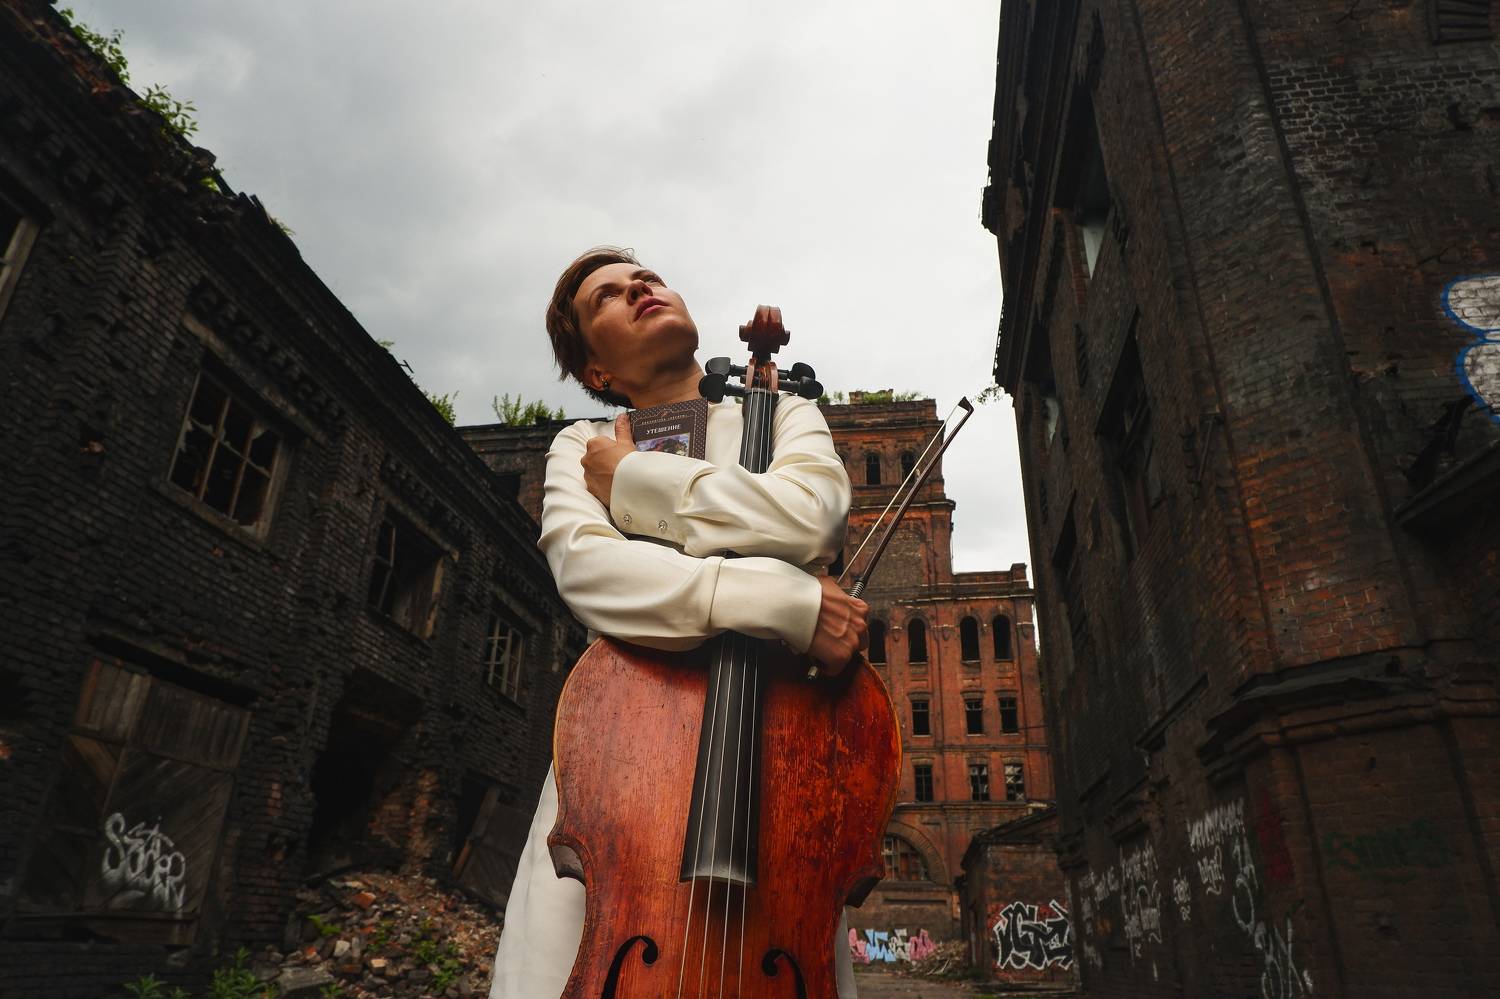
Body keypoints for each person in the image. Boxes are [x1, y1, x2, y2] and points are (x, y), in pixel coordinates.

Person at [488, 247, 869, 999]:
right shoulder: (583, 444)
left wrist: (634, 480)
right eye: (606, 297)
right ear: (596, 370)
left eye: (648, 278)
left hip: (772, 767)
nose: (639, 287)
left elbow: (813, 519)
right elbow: (592, 573)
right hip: (613, 782)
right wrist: (788, 601)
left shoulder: (783, 411)